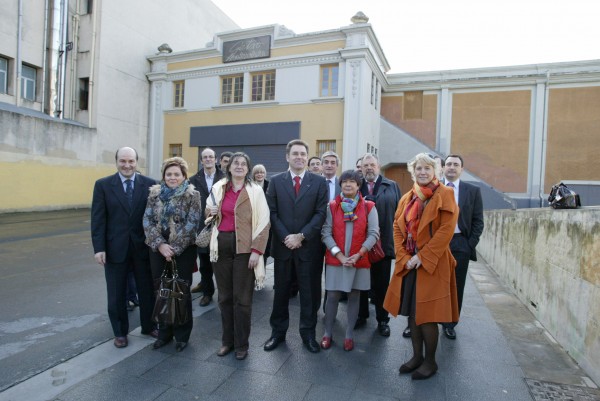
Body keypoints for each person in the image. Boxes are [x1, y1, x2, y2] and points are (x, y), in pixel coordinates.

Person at [384, 152, 459, 380]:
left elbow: (446, 230)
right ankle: (416, 356)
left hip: (432, 264)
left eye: (427, 168)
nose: (423, 172)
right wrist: (404, 256)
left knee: (427, 315)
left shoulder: (445, 193)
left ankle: (430, 361)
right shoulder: (408, 197)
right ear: (413, 172)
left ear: (435, 171)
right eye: (419, 169)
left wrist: (422, 257)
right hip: (410, 263)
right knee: (412, 314)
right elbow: (397, 228)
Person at [264, 139, 328, 353]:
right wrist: (286, 237)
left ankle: (308, 334)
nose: (299, 157)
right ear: (287, 157)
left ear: (307, 157)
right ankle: (278, 333)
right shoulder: (275, 181)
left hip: (309, 249)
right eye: (295, 154)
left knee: (309, 295)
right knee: (281, 293)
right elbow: (271, 212)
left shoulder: (318, 182)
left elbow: (320, 214)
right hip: (283, 249)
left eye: (303, 154)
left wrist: (301, 236)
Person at [205, 152, 271, 360]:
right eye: (236, 163)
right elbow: (208, 213)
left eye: (244, 164)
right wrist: (210, 209)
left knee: (242, 300)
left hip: (245, 251)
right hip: (221, 247)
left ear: (248, 168)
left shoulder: (256, 191)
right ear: (229, 167)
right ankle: (227, 342)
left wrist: (256, 251)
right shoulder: (218, 188)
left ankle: (242, 344)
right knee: (224, 298)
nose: (240, 166)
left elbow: (264, 223)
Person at [91, 147, 158, 348]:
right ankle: (120, 332)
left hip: (143, 248)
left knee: (147, 291)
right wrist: (99, 248)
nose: (127, 165)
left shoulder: (150, 184)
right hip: (114, 249)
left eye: (131, 161)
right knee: (116, 293)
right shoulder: (103, 185)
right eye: (123, 161)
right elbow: (98, 220)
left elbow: (156, 218)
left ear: (137, 162)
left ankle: (149, 325)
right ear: (117, 162)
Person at [143, 157, 201, 352]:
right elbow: (147, 221)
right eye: (169, 174)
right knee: (161, 291)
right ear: (163, 176)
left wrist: (173, 248)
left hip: (183, 251)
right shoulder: (154, 195)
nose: (172, 177)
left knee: (180, 292)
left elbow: (192, 224)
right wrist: (161, 245)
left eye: (177, 174)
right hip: (158, 250)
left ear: (184, 176)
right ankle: (164, 333)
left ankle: (182, 335)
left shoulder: (193, 196)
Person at [320, 170, 379, 351]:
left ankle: (349, 335)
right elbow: (326, 233)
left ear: (358, 185)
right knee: (332, 297)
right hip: (336, 259)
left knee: (355, 296)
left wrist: (359, 254)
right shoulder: (332, 206)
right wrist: (340, 255)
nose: (348, 184)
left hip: (359, 260)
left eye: (352, 181)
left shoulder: (369, 206)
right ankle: (328, 333)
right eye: (344, 181)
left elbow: (374, 233)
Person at [356, 153, 401, 337]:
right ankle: (361, 315)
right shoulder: (356, 185)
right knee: (360, 284)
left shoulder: (392, 186)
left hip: (384, 244)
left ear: (378, 166)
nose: (369, 168)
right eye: (365, 165)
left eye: (372, 165)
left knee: (382, 285)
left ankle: (383, 320)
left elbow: (400, 214)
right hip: (360, 245)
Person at [440, 154, 484, 340]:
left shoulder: (472, 191)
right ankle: (429, 319)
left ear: (461, 169)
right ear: (443, 168)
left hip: (460, 243)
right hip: (437, 243)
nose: (451, 167)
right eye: (448, 164)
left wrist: (469, 245)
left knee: (456, 285)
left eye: (455, 165)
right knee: (434, 283)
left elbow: (478, 221)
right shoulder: (434, 188)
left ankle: (450, 323)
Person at [189, 148, 225, 306]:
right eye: (205, 157)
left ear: (216, 159)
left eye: (211, 157)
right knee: (204, 264)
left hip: (222, 225)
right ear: (201, 160)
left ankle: (224, 294)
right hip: (202, 227)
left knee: (221, 263)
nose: (208, 159)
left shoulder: (225, 178)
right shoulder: (193, 180)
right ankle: (207, 292)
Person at [252, 164, 272, 263]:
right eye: (257, 172)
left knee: (264, 249)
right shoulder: (249, 186)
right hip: (253, 221)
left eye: (262, 172)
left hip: (267, 221)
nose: (260, 174)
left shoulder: (270, 185)